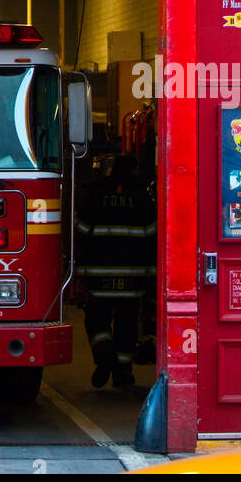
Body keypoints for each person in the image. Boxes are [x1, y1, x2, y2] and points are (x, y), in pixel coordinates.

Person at [76, 152, 156, 389]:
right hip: (133, 274)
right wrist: (151, 273)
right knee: (127, 323)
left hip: (99, 272)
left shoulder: (96, 192)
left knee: (96, 319)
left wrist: (79, 266)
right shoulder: (142, 195)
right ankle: (123, 373)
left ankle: (104, 358)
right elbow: (153, 234)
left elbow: (82, 230)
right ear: (134, 170)